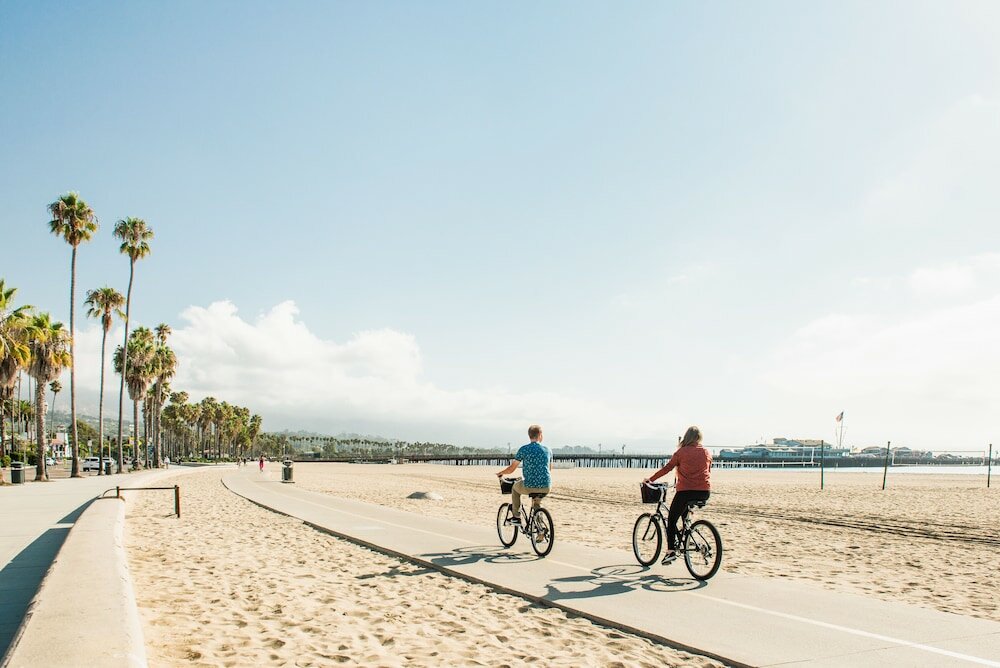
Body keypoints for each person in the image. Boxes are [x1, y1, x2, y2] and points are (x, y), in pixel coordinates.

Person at [643, 425, 712, 563]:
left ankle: (670, 551)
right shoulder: (706, 452)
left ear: (686, 437)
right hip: (704, 492)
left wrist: (650, 479)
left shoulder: (681, 452)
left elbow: (667, 468)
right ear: (699, 438)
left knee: (672, 519)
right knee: (684, 516)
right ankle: (687, 537)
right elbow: (707, 471)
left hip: (686, 492)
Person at [496, 424, 552, 524]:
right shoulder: (548, 450)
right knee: (536, 502)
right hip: (546, 486)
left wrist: (501, 473)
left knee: (514, 488)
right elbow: (549, 469)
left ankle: (516, 517)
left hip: (530, 485)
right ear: (540, 435)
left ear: (529, 436)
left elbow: (511, 469)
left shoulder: (524, 449)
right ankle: (540, 530)